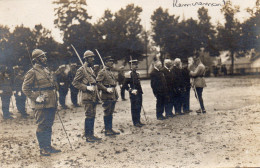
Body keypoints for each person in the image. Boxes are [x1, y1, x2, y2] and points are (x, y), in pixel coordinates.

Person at [22, 49, 61, 156]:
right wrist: (36, 97)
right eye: (42, 57)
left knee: (49, 124)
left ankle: (48, 146)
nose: (45, 58)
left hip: (50, 102)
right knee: (42, 125)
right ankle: (42, 148)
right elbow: (25, 88)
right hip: (41, 103)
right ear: (36, 59)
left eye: (44, 56)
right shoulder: (32, 72)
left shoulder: (46, 70)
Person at [72, 50, 102, 143]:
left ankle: (91, 134)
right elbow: (75, 83)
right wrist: (86, 87)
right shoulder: (81, 69)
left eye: (93, 57)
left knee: (92, 115)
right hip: (87, 96)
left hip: (93, 95)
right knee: (89, 115)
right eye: (90, 57)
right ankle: (88, 136)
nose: (93, 59)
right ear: (86, 59)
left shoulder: (91, 69)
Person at [96, 56, 120, 136]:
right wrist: (106, 89)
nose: (112, 62)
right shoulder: (102, 72)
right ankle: (107, 130)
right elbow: (98, 83)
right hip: (106, 95)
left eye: (112, 61)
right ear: (105, 62)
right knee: (107, 112)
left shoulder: (110, 72)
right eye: (109, 61)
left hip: (113, 95)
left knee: (111, 112)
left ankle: (110, 128)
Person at [122, 59, 145, 127]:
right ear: (131, 66)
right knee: (134, 107)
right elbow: (124, 85)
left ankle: (138, 120)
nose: (136, 66)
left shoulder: (137, 74)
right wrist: (131, 90)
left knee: (139, 106)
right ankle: (135, 122)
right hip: (133, 94)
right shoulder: (129, 74)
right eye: (134, 65)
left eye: (136, 64)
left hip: (139, 93)